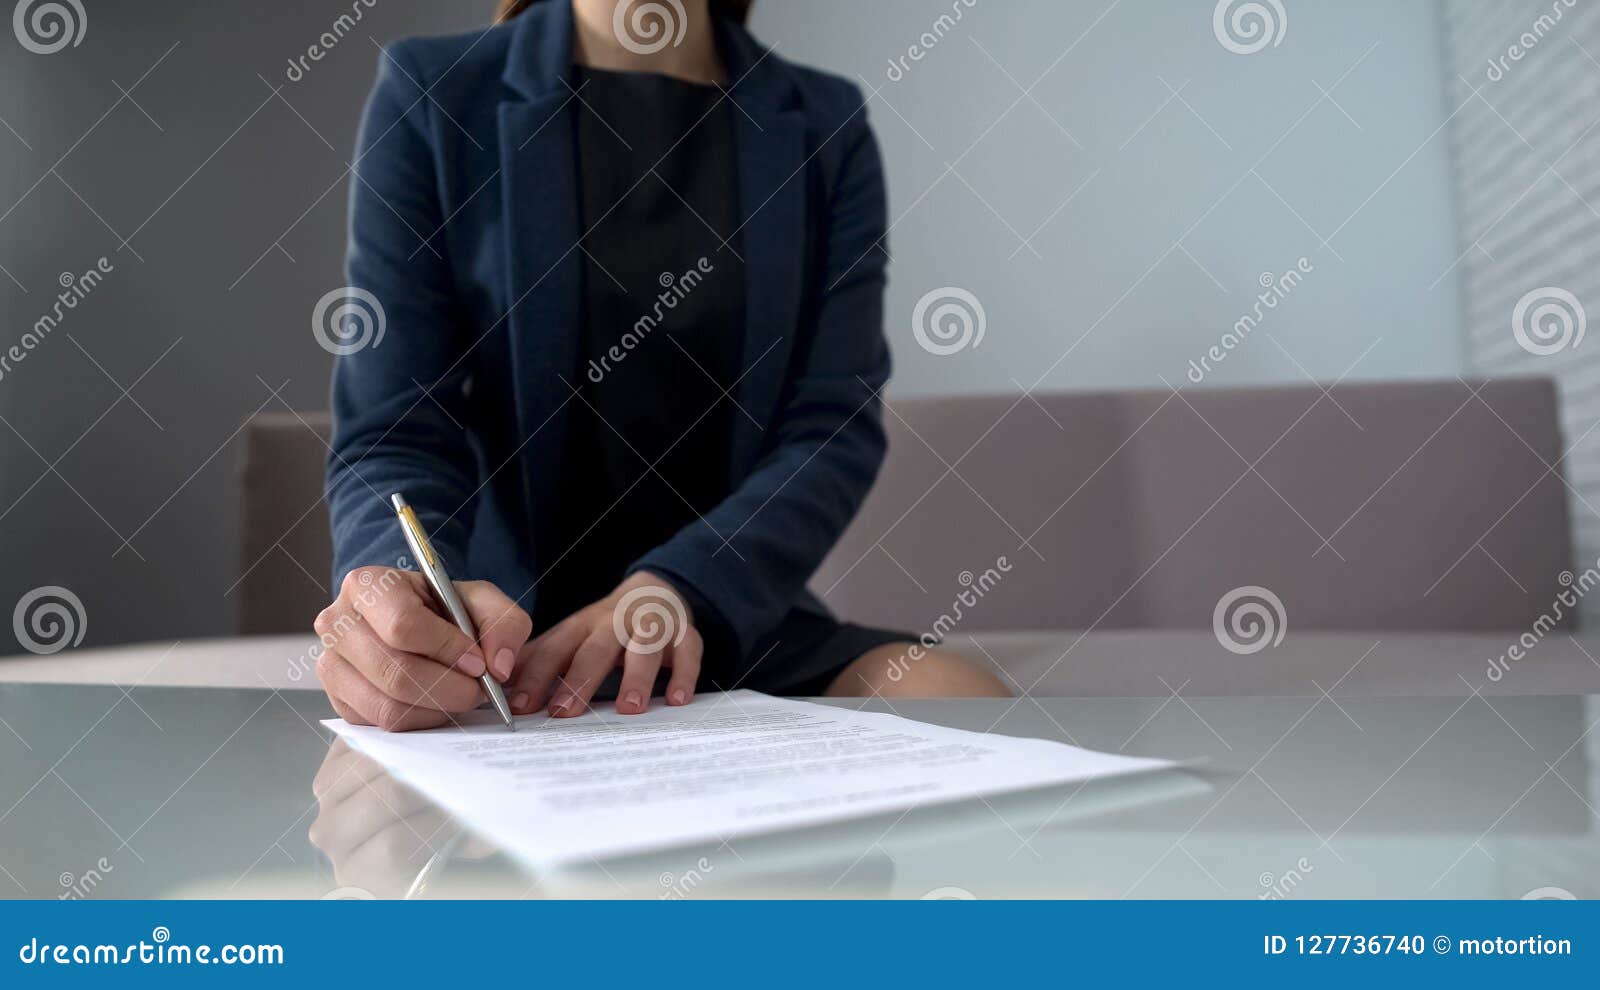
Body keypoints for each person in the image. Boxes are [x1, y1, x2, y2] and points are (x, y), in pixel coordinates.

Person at [314, 0, 1009, 732]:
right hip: (502, 644)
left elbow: (832, 429)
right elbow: (396, 428)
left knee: (967, 705)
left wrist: (675, 589)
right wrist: (403, 594)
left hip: (725, 614)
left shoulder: (823, 120)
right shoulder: (433, 93)